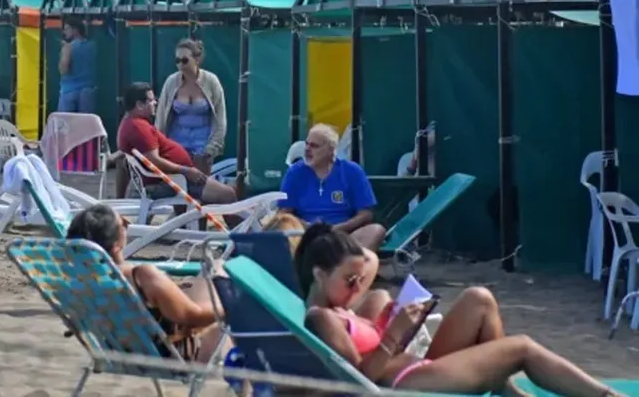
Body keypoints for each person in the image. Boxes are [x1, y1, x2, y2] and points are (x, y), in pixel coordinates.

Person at [297, 223, 621, 396]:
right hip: (406, 380)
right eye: (349, 280)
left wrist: (391, 322)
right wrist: (393, 335)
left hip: (413, 366)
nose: (357, 287)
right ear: (319, 274)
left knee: (478, 298)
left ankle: (501, 386)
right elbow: (357, 382)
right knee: (522, 348)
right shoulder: (320, 317)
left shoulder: (336, 307)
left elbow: (366, 262)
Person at [67, 204, 228, 363]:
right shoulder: (142, 277)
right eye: (123, 224)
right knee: (219, 272)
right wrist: (229, 306)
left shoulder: (81, 282)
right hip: (173, 356)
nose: (127, 225)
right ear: (116, 246)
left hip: (119, 354)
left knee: (202, 280)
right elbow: (194, 316)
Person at [117, 82, 237, 206]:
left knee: (214, 193)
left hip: (174, 178)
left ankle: (194, 225)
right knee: (228, 194)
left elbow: (122, 160)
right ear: (139, 105)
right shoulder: (139, 128)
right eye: (151, 100)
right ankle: (235, 226)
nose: (155, 103)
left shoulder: (130, 124)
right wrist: (186, 171)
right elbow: (154, 161)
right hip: (174, 181)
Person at [278, 124, 386, 252]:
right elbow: (284, 212)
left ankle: (350, 267)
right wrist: (308, 227)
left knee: (376, 230)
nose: (307, 149)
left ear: (331, 150)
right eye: (307, 144)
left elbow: (366, 214)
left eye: (314, 146)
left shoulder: (352, 171)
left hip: (343, 235)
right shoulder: (295, 173)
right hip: (305, 235)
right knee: (280, 227)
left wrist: (337, 228)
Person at [155, 39, 227, 176]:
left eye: (184, 60)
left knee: (201, 186)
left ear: (197, 59)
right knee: (178, 183)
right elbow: (161, 116)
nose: (180, 65)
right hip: (176, 141)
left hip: (203, 142)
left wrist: (211, 149)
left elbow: (220, 117)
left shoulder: (211, 81)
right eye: (177, 61)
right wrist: (161, 145)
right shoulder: (171, 81)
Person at [56, 17, 97, 114]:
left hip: (69, 91)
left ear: (75, 30)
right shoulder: (93, 46)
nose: (64, 32)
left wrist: (65, 51)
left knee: (66, 125)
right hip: (88, 90)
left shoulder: (68, 47)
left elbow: (63, 70)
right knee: (85, 125)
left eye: (67, 29)